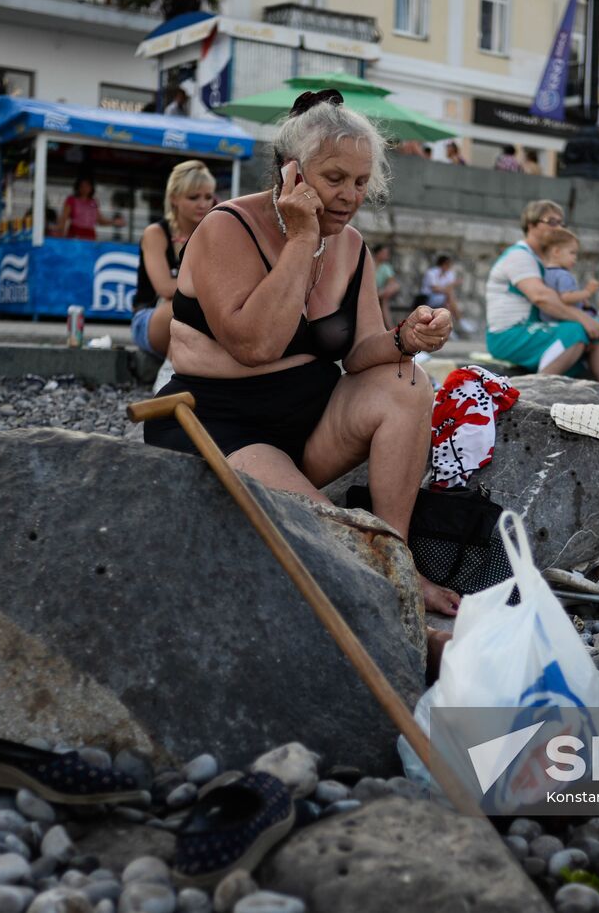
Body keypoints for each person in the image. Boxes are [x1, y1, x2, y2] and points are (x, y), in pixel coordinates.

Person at [143, 90, 461, 619]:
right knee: (333, 541)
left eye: (361, 182)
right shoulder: (226, 227)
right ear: (291, 173)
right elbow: (256, 345)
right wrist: (301, 238)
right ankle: (408, 623)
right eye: (334, 179)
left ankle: (401, 557)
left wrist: (408, 337)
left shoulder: (353, 245)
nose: (349, 196)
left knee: (408, 383)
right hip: (220, 420)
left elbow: (360, 351)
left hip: (310, 420)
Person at [485, 199, 599, 385]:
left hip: (535, 330)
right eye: (552, 222)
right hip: (509, 334)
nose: (559, 228)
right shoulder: (519, 255)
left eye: (562, 223)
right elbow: (541, 297)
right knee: (576, 331)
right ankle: (536, 389)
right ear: (531, 225)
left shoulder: (543, 260)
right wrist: (583, 318)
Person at [132, 159, 215, 359]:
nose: (203, 204)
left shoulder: (213, 233)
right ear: (174, 199)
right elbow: (165, 288)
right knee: (185, 307)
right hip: (151, 317)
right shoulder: (156, 233)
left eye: (208, 197)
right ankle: (170, 373)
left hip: (194, 311)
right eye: (194, 197)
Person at [539, 228, 599, 322]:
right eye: (572, 253)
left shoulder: (543, 271)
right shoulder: (563, 275)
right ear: (556, 252)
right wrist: (587, 292)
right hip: (565, 320)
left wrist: (581, 300)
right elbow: (566, 298)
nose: (575, 258)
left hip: (547, 319)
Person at [57, 178, 123, 240]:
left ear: (91, 188)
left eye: (87, 186)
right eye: (82, 186)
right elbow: (64, 218)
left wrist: (114, 222)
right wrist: (61, 234)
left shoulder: (94, 202)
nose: (84, 189)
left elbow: (99, 220)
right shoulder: (71, 200)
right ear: (78, 187)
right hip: (75, 233)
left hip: (90, 235)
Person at [420, 256, 470, 334]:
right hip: (427, 298)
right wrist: (451, 286)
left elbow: (447, 288)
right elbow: (434, 289)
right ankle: (460, 320)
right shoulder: (431, 273)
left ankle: (449, 329)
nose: (449, 267)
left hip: (442, 298)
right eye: (447, 264)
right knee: (449, 296)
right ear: (442, 264)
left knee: (448, 302)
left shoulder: (449, 274)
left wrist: (449, 287)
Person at [373, 243, 401, 329]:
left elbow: (392, 282)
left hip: (379, 292)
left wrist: (384, 291)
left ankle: (390, 328)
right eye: (385, 252)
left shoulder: (386, 267)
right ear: (378, 253)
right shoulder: (368, 263)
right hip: (368, 290)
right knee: (384, 301)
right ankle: (391, 328)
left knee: (394, 287)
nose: (387, 255)